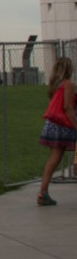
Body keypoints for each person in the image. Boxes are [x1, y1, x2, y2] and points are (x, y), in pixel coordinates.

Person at [37, 56, 76, 206]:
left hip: (51, 124)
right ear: (68, 69)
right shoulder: (69, 85)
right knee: (56, 158)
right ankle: (43, 193)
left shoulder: (55, 85)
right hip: (62, 125)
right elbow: (67, 108)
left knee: (53, 158)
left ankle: (43, 191)